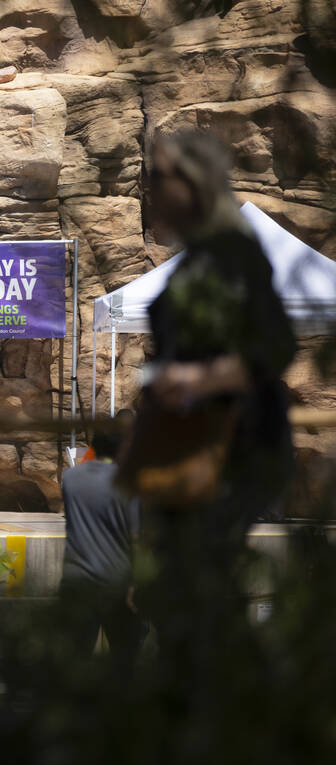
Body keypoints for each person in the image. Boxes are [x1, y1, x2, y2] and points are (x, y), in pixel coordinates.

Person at [133, 130, 296, 663]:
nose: (149, 187)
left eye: (159, 177)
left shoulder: (232, 253)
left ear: (193, 184)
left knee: (192, 592)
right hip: (197, 446)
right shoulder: (202, 256)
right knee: (184, 593)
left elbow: (275, 346)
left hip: (235, 448)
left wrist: (197, 381)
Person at [59, 410, 143, 665]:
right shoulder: (127, 483)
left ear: (94, 443)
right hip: (115, 584)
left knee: (75, 659)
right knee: (125, 659)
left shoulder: (70, 479)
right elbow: (137, 538)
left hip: (76, 583)